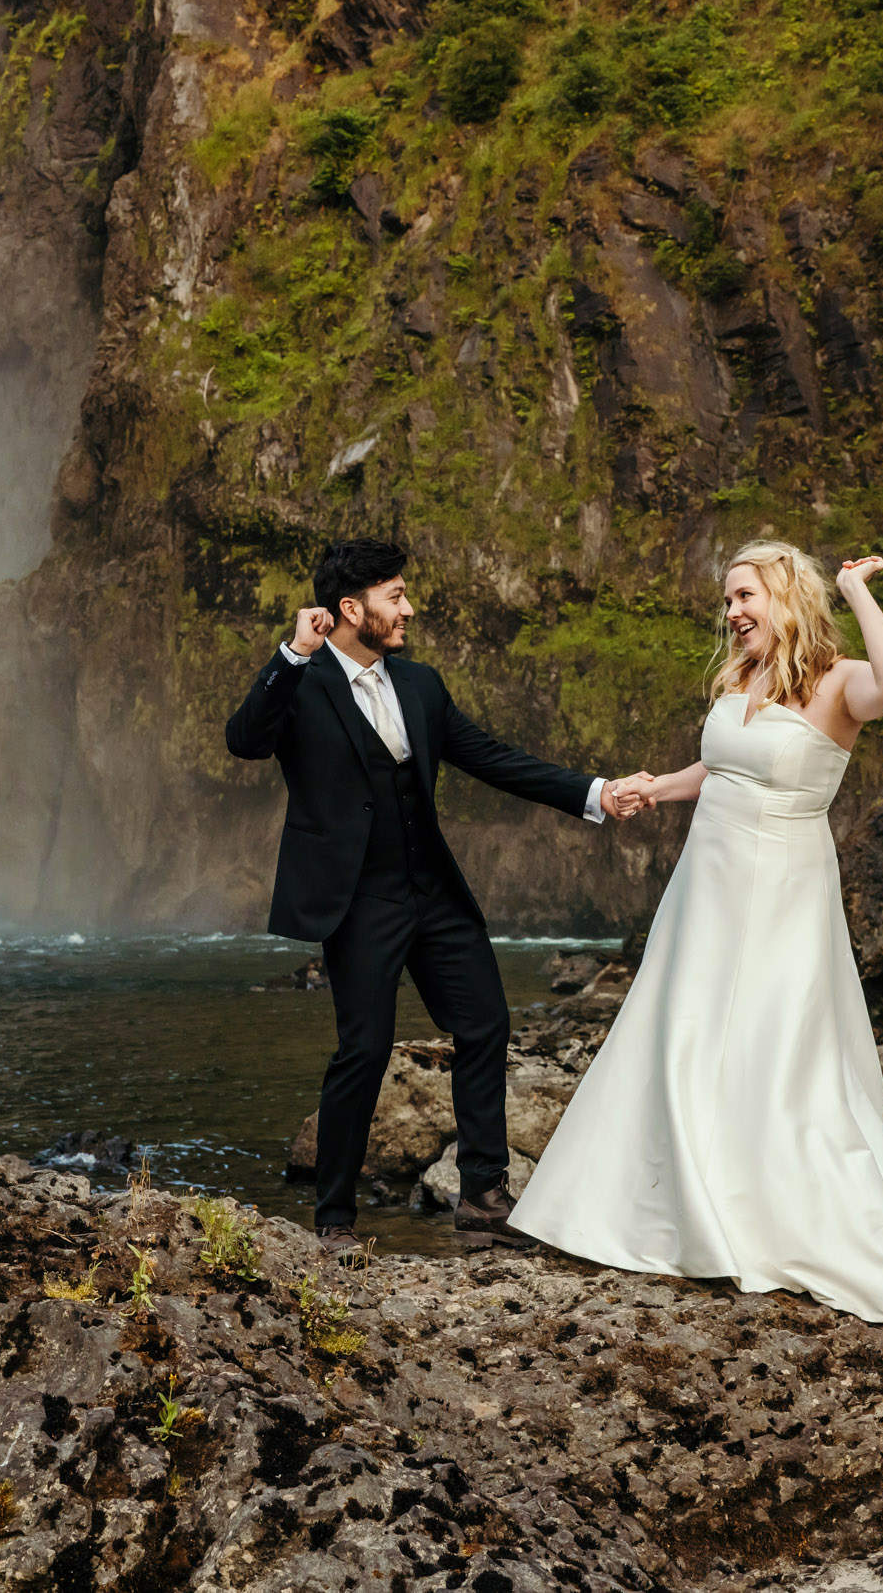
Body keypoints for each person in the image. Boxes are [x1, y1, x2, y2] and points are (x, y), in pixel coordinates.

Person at [511, 541, 883, 1322]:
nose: (731, 614)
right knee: (682, 1035)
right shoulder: (743, 678)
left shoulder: (837, 683)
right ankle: (672, 1211)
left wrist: (857, 590)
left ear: (788, 597)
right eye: (727, 600)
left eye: (744, 597)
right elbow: (723, 767)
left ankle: (763, 1214)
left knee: (772, 1048)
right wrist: (652, 789)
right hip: (706, 892)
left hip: (783, 896)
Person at [226, 538, 652, 1256]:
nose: (409, 608)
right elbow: (244, 740)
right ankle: (334, 1220)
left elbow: (493, 758)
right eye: (395, 597)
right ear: (351, 609)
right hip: (357, 901)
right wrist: (291, 654)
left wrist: (597, 794)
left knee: (485, 1023)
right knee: (364, 1049)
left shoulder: (420, 685)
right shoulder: (298, 684)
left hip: (434, 890)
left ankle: (483, 1197)